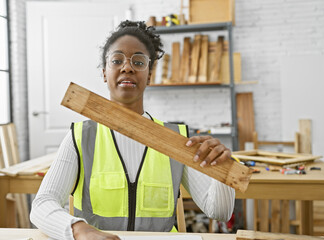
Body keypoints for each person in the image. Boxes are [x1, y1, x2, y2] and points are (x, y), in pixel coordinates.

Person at [30, 20, 235, 240]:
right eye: (117, 60)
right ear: (104, 73)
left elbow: (220, 211)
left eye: (138, 62)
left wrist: (222, 170)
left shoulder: (175, 140)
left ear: (149, 75)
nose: (127, 67)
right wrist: (79, 230)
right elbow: (42, 204)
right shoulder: (81, 137)